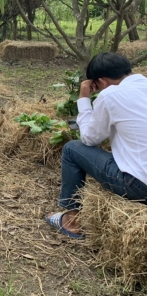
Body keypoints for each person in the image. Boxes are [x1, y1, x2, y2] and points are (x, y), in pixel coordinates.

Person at [46, 53, 147, 240]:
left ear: (101, 81)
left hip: (140, 186)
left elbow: (89, 139)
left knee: (72, 149)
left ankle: (71, 222)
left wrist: (84, 99)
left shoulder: (110, 95)